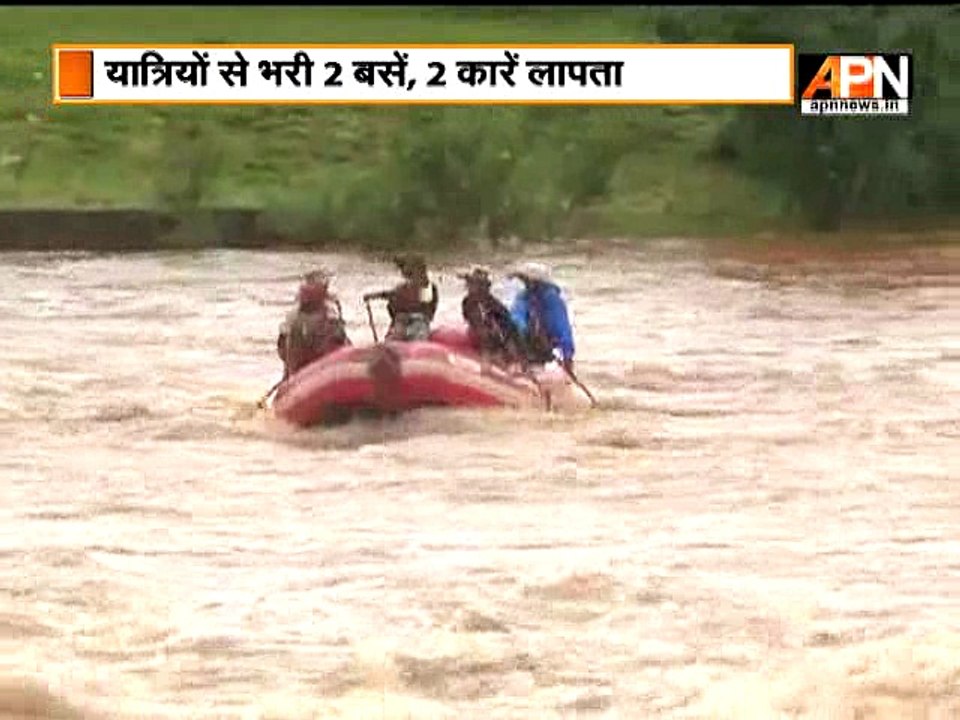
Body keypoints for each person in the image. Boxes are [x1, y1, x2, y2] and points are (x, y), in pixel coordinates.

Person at [277, 269, 351, 379]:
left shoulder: (329, 317)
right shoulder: (295, 320)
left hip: (313, 373)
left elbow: (341, 346)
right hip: (307, 373)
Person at [507, 261, 576, 373]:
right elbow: (516, 316)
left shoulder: (551, 300)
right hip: (523, 341)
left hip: (543, 346)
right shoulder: (523, 297)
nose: (525, 283)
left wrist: (567, 356)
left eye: (526, 280)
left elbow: (563, 329)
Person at [458, 266, 526, 367]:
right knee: (486, 335)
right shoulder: (468, 302)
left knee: (500, 334)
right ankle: (494, 360)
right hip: (483, 336)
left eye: (479, 285)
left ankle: (512, 362)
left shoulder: (491, 303)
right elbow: (472, 321)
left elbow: (507, 323)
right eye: (472, 284)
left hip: (495, 338)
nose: (472, 287)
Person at [363, 254, 439, 342]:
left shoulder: (426, 286)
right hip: (401, 321)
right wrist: (374, 296)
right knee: (395, 335)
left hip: (418, 321)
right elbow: (392, 294)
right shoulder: (403, 287)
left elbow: (424, 305)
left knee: (418, 333)